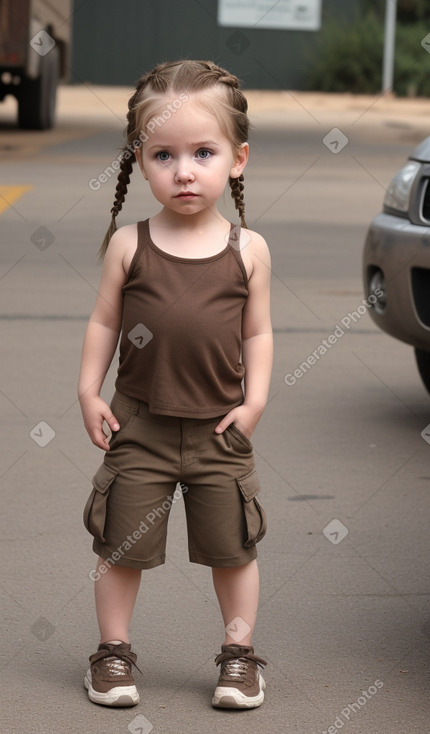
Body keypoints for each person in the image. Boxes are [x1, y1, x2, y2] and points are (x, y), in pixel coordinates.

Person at [78, 59, 273, 711]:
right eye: (163, 154)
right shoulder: (129, 244)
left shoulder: (248, 249)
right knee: (119, 546)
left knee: (234, 551)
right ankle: (112, 653)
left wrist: (255, 401)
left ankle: (239, 658)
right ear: (139, 159)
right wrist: (88, 390)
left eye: (202, 152)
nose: (183, 170)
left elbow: (257, 334)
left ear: (236, 159)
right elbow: (105, 320)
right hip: (140, 427)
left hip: (221, 429)